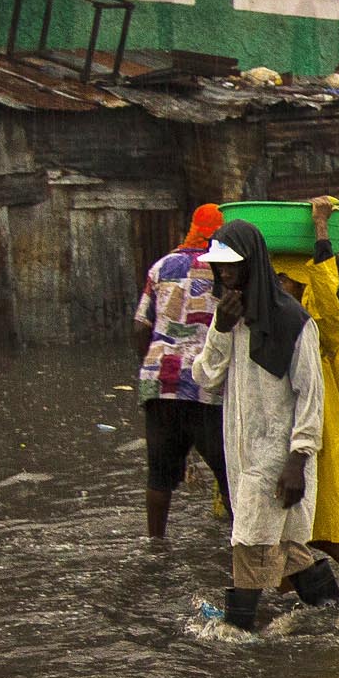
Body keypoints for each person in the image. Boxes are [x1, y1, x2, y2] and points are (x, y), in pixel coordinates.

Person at [193, 223, 338, 629]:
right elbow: (205, 378)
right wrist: (220, 331)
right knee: (290, 550)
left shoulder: (294, 321)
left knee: (250, 545)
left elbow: (312, 393)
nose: (224, 274)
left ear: (252, 262)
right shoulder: (231, 317)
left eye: (231, 265)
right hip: (242, 451)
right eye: (218, 266)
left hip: (278, 456)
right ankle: (336, 618)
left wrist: (298, 459)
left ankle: (237, 639)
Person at [268, 199, 339, 590]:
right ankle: (288, 590)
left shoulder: (317, 323)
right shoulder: (264, 318)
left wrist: (321, 230)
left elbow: (327, 295)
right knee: (281, 518)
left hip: (313, 423)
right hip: (276, 424)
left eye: (285, 280)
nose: (277, 288)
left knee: (317, 515)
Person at [134, 203, 230, 541]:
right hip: (207, 383)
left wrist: (152, 364)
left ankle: (155, 544)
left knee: (160, 473)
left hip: (161, 381)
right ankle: (245, 548)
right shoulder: (226, 268)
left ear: (192, 227)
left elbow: (142, 325)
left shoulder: (161, 266)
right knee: (228, 471)